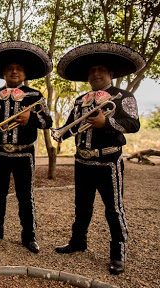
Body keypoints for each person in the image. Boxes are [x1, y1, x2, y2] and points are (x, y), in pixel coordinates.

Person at [53, 42, 144, 275]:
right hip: (82, 161)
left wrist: (108, 123)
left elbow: (133, 124)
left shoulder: (123, 96)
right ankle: (78, 241)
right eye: (92, 71)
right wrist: (61, 133)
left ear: (110, 73)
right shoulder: (80, 99)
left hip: (108, 162)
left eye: (100, 70)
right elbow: (72, 126)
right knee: (82, 207)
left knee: (113, 209)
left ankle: (118, 253)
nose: (95, 74)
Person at [0, 41, 53, 253]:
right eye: (10, 69)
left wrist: (31, 118)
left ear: (24, 73)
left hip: (24, 154)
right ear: (4, 73)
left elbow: (48, 122)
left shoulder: (35, 96)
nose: (14, 71)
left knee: (25, 195)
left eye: (18, 69)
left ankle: (29, 236)